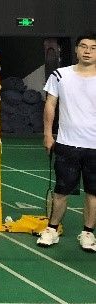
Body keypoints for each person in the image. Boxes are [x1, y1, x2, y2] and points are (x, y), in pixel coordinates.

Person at [37, 32, 96, 253]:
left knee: (93, 192)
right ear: (76, 50)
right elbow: (50, 105)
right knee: (61, 191)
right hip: (67, 144)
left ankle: (88, 233)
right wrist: (48, 134)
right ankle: (52, 229)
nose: (88, 51)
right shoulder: (60, 75)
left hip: (95, 146)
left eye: (93, 47)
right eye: (84, 46)